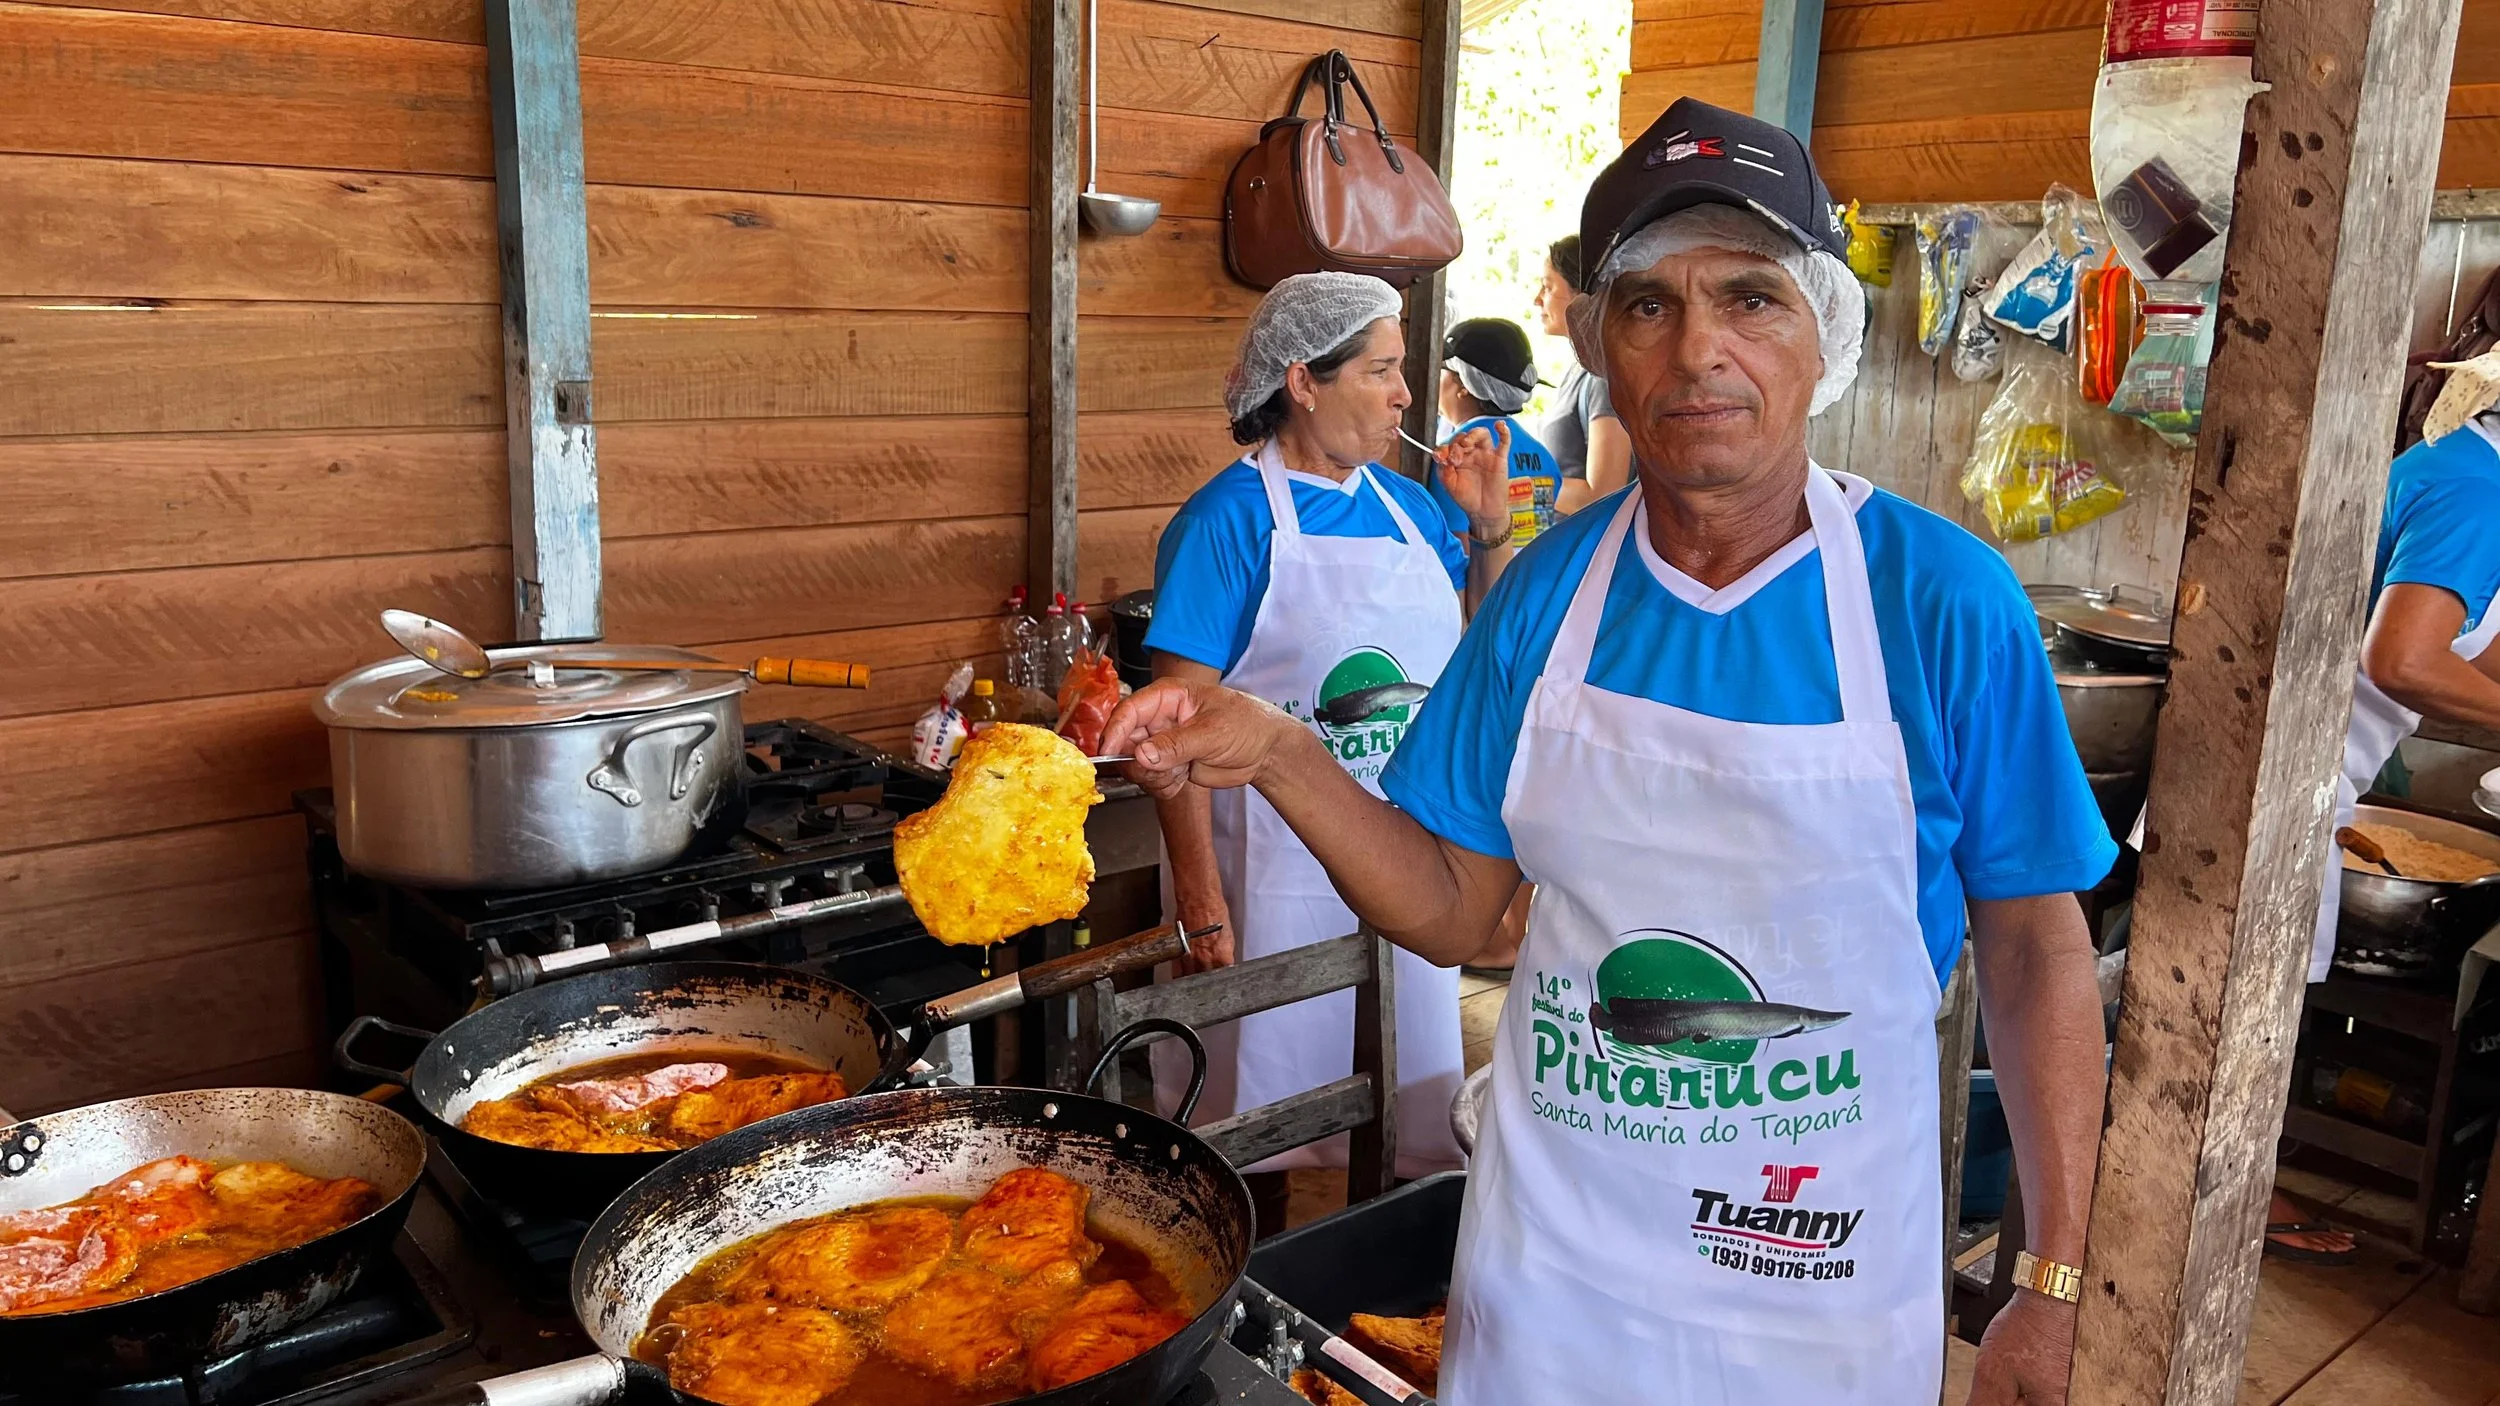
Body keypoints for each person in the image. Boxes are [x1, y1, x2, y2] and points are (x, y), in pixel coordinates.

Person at [1104, 99, 2111, 1404]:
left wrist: (2052, 1280)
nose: (1698, 350)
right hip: (1553, 1275)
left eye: (1751, 299)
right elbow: (1451, 904)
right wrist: (1283, 751)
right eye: (1648, 305)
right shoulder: (1547, 595)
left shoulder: (1940, 600)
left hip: (1816, 1274)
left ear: (1825, 337)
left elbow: (2035, 949)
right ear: (1599, 347)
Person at [1141, 272, 1516, 1221]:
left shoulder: (1413, 509)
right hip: (1269, 878)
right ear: (1304, 381)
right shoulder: (1226, 521)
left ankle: (1383, 1269)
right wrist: (1200, 904)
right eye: (1382, 370)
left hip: (1405, 856)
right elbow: (1174, 733)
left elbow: (1477, 656)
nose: (1404, 395)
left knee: (1408, 1098)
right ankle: (1247, 1270)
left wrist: (1489, 531)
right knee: (1252, 1117)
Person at [2273, 394, 2500, 1264]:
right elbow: (2401, 658)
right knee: (2245, 1001)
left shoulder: (2464, 467)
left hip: (2305, 764)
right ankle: (2220, 1193)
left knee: (2255, 996)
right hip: (2285, 770)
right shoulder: (2477, 490)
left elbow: (2471, 644)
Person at [1434, 316, 1562, 570]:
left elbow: (1457, 553)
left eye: (1441, 371)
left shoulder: (1456, 457)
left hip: (1484, 588)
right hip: (1532, 584)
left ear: (1463, 384)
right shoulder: (1543, 455)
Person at [1535, 234, 1635, 513]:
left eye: (1547, 287)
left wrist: (1521, 484)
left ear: (1581, 295)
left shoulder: (1603, 375)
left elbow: (1603, 492)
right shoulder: (1579, 369)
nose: (1537, 300)